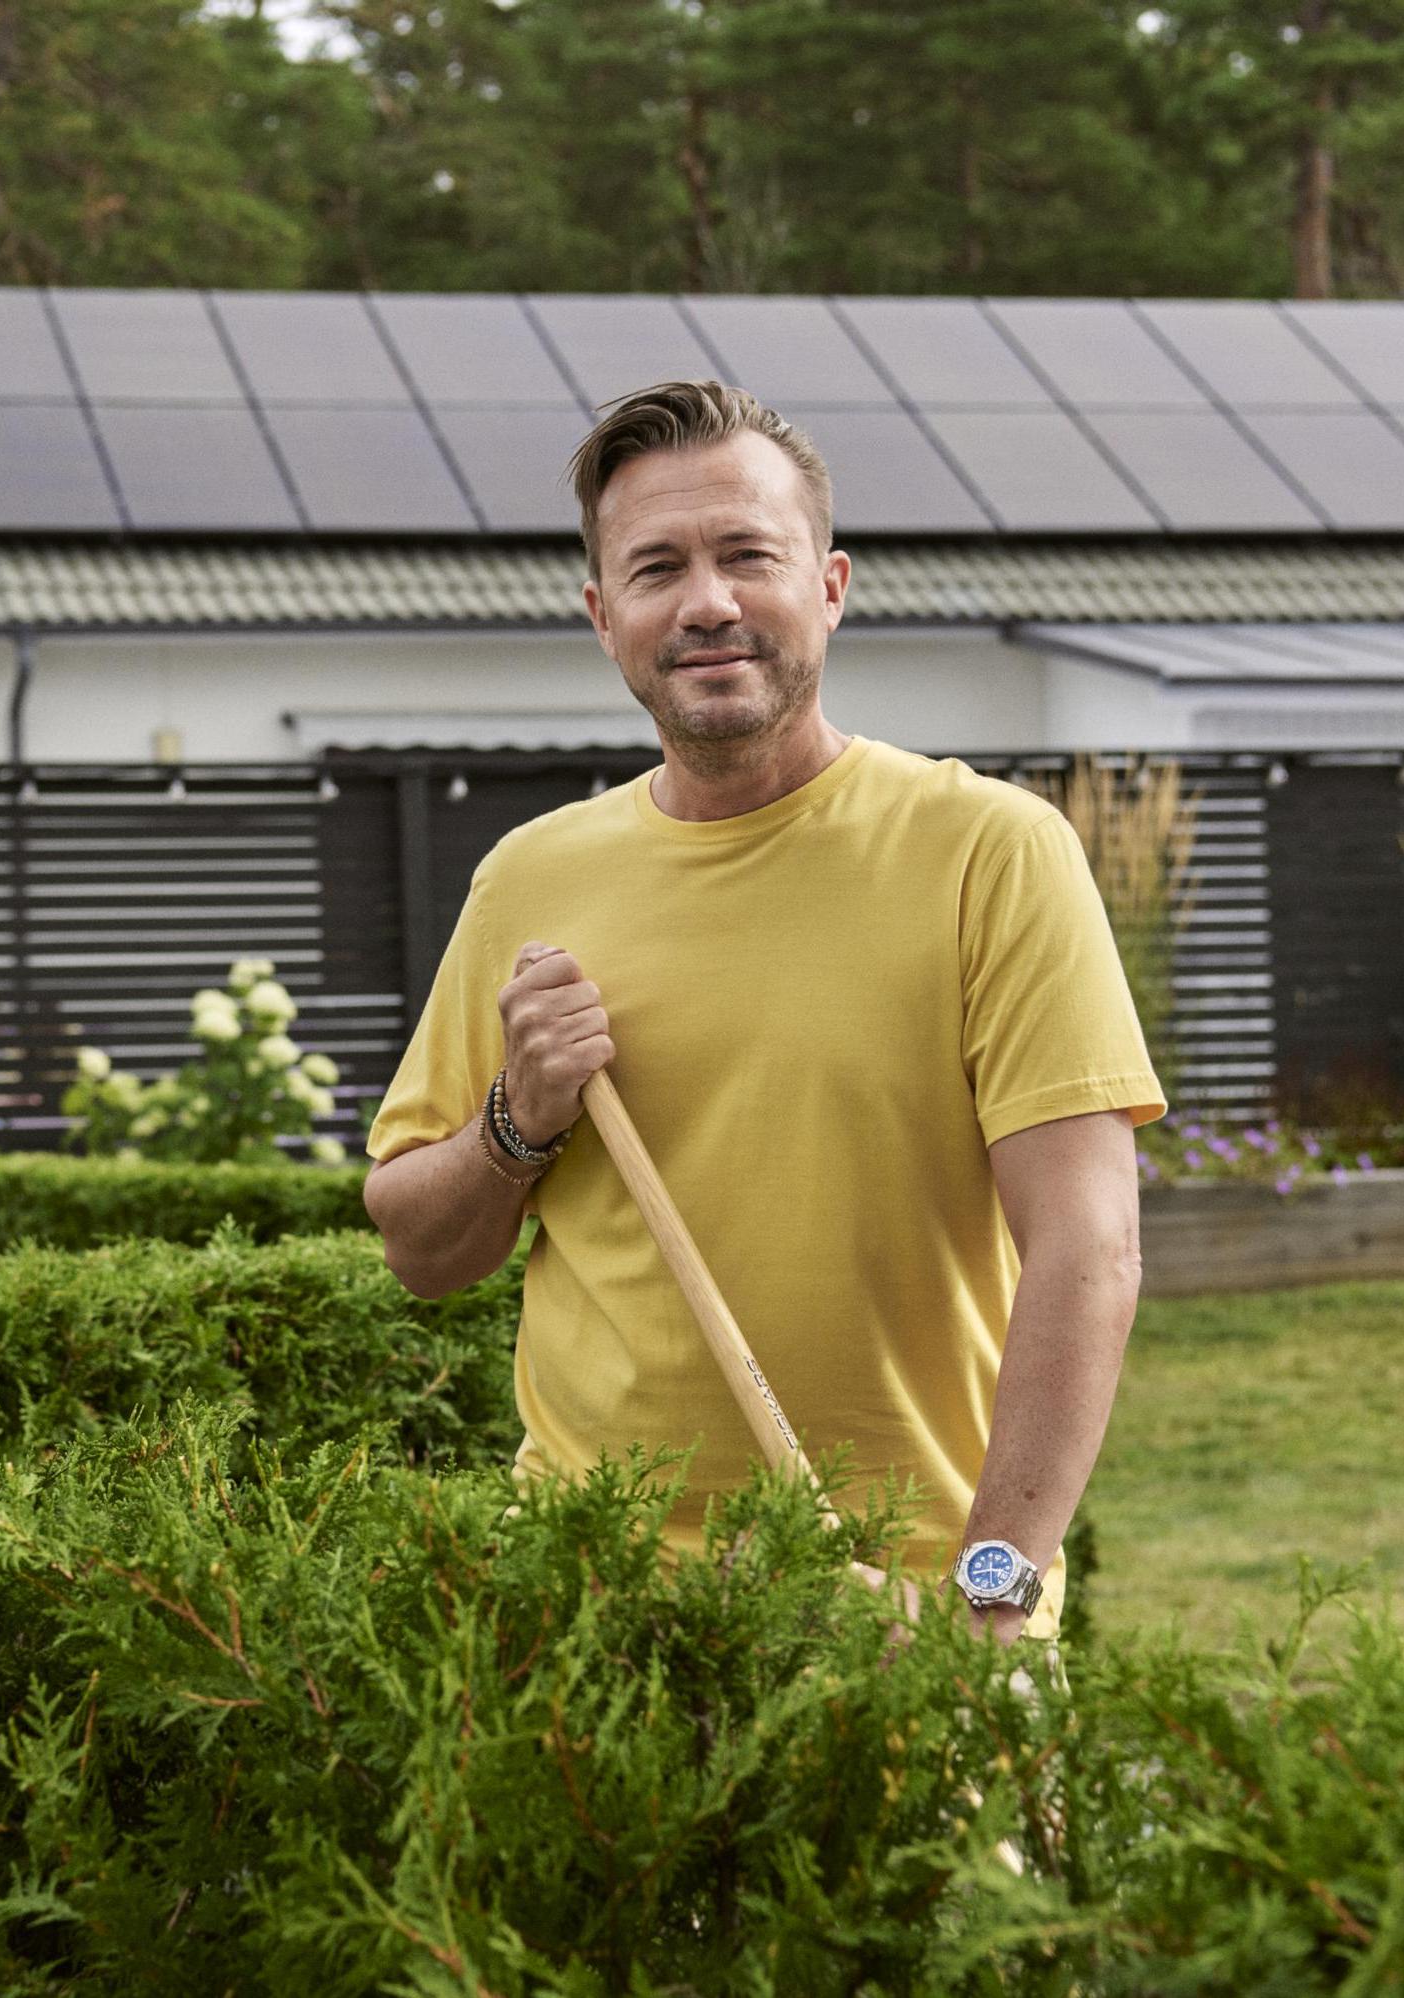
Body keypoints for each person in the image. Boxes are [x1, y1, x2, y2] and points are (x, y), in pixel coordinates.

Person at [362, 380, 1165, 1647]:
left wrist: (991, 1592)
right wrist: (518, 1118)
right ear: (603, 616)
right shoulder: (533, 880)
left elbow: (1090, 1252)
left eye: (750, 556)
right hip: (587, 1597)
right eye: (657, 568)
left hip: (908, 1603)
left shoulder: (988, 854)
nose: (709, 602)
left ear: (830, 588)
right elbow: (420, 1251)